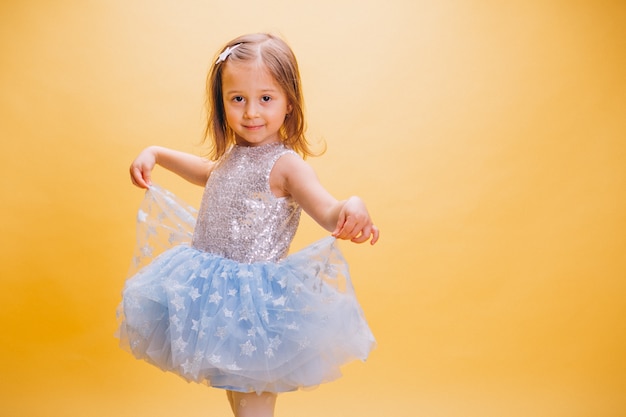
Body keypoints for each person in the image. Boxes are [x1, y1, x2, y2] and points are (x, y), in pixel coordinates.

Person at [117, 33, 379, 417]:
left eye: (266, 98)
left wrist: (352, 206)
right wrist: (155, 153)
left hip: (252, 306)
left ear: (289, 102)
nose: (251, 112)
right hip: (215, 296)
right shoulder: (233, 156)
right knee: (236, 394)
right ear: (222, 104)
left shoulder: (287, 165)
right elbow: (208, 172)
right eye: (237, 99)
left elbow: (327, 210)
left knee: (252, 401)